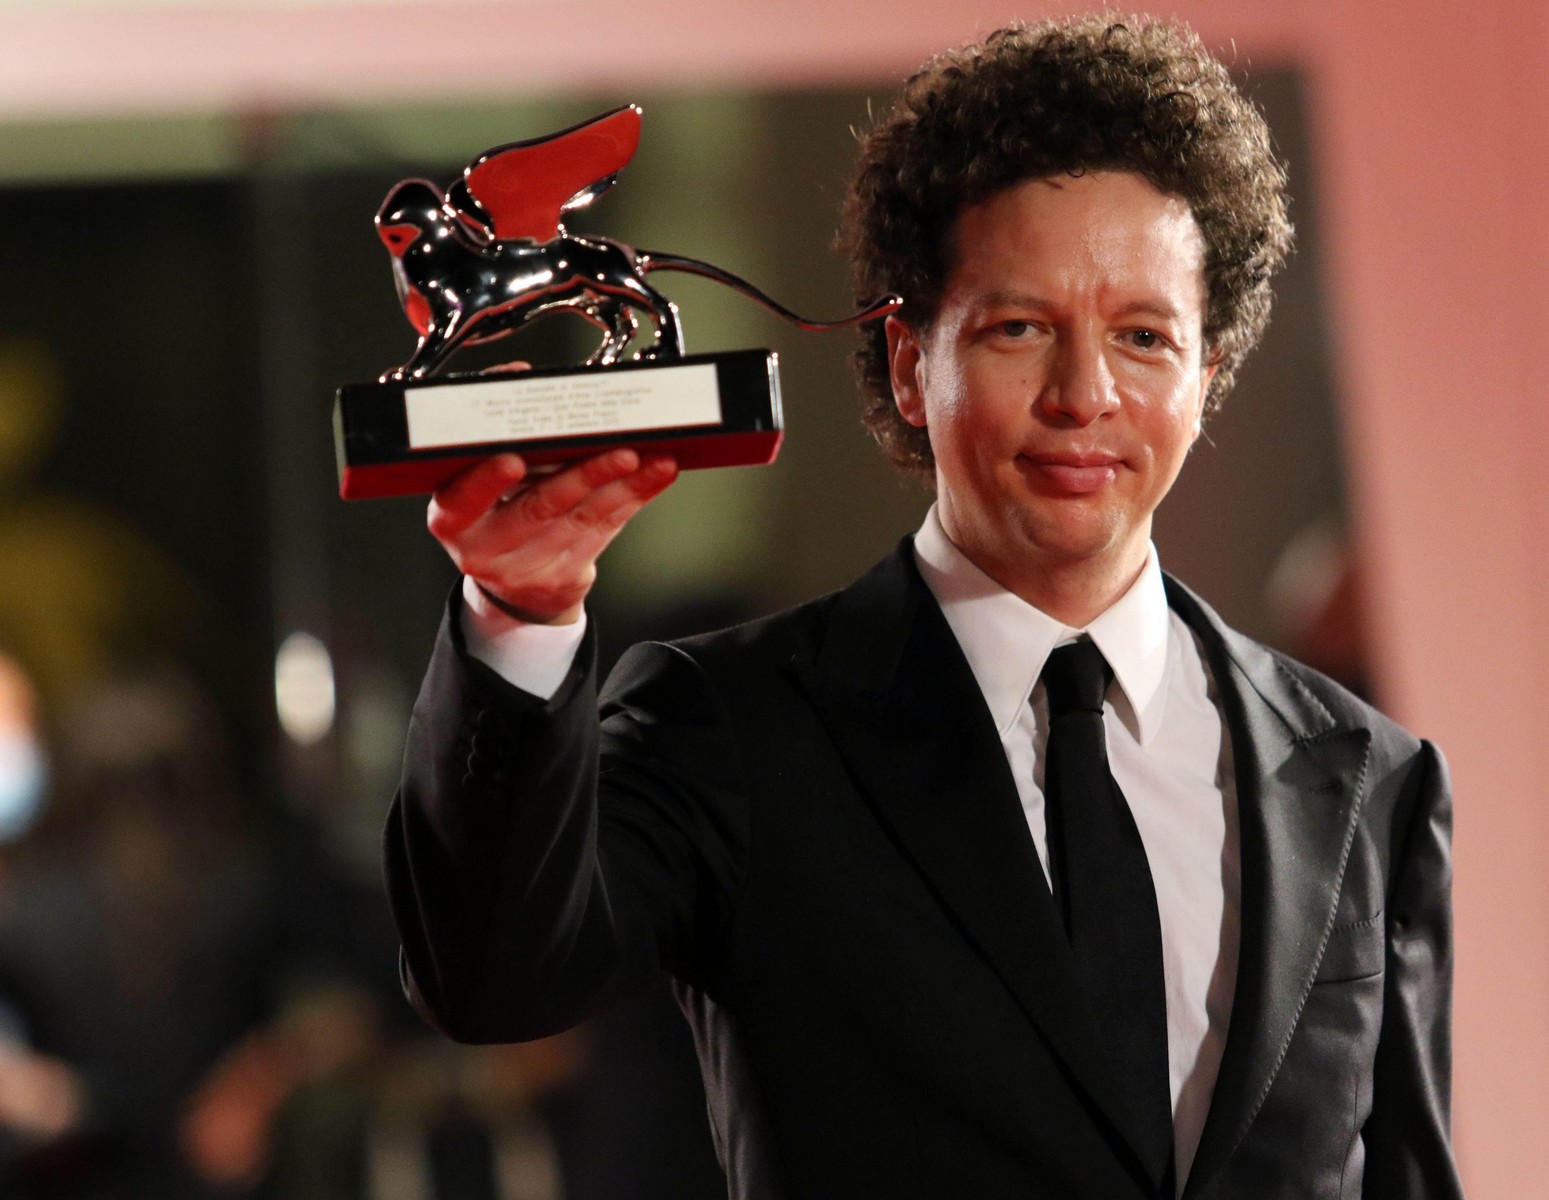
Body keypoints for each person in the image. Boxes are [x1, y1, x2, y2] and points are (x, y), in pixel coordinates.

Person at [385, 14, 1463, 1199]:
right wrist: (520, 617)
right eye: (1019, 329)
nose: (1083, 395)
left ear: (1208, 377)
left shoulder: (1366, 776)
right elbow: (492, 979)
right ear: (910, 362)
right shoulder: (736, 727)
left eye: (1144, 338)